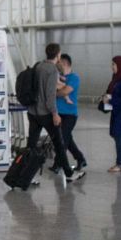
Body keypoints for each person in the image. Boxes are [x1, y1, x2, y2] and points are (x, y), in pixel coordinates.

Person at [26, 44, 84, 182]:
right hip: (44, 114)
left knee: (31, 146)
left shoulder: (38, 66)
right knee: (59, 143)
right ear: (58, 55)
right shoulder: (51, 70)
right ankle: (69, 174)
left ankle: (26, 176)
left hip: (32, 112)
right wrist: (55, 114)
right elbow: (50, 95)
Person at [53, 54, 87, 172]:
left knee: (63, 140)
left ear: (65, 63)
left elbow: (65, 91)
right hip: (58, 113)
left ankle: (58, 164)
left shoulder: (74, 77)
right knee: (68, 140)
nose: (57, 65)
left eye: (59, 63)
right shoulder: (58, 76)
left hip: (69, 115)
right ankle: (80, 159)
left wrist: (54, 94)